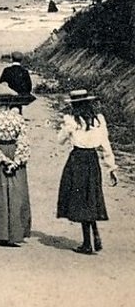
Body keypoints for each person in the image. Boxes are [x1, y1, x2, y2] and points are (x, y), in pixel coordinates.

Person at [56, 90, 118, 254]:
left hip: (77, 159)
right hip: (92, 159)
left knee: (79, 198)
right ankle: (94, 232)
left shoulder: (71, 120)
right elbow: (106, 145)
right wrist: (111, 168)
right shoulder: (99, 120)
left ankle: (87, 243)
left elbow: (60, 140)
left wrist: (65, 127)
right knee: (91, 196)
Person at [0, 93, 32, 246]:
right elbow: (24, 141)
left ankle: (0, 233)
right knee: (17, 194)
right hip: (15, 150)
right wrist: (15, 162)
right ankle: (16, 233)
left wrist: (3, 159)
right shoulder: (19, 118)